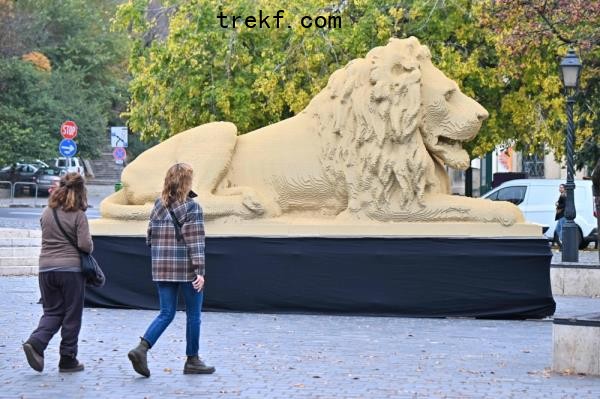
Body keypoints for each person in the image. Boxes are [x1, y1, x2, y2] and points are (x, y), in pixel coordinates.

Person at [128, 163, 215, 377]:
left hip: (162, 268)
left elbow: (149, 238)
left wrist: (163, 251)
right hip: (187, 270)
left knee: (166, 313)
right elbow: (196, 242)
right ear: (187, 182)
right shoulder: (192, 208)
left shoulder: (158, 205)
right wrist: (200, 271)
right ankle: (192, 360)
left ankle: (142, 348)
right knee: (193, 315)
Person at [23, 173, 92, 373]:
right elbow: (85, 245)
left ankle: (36, 342)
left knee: (52, 311)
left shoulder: (46, 212)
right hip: (70, 270)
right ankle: (67, 359)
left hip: (45, 268)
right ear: (80, 191)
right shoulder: (78, 214)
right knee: (71, 315)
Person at [555, 183, 566, 248]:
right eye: (560, 187)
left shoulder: (564, 195)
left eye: (561, 187)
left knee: (562, 230)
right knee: (557, 229)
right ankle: (563, 244)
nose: (560, 189)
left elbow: (564, 205)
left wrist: (557, 205)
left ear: (564, 189)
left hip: (563, 215)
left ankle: (564, 245)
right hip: (560, 215)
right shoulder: (562, 195)